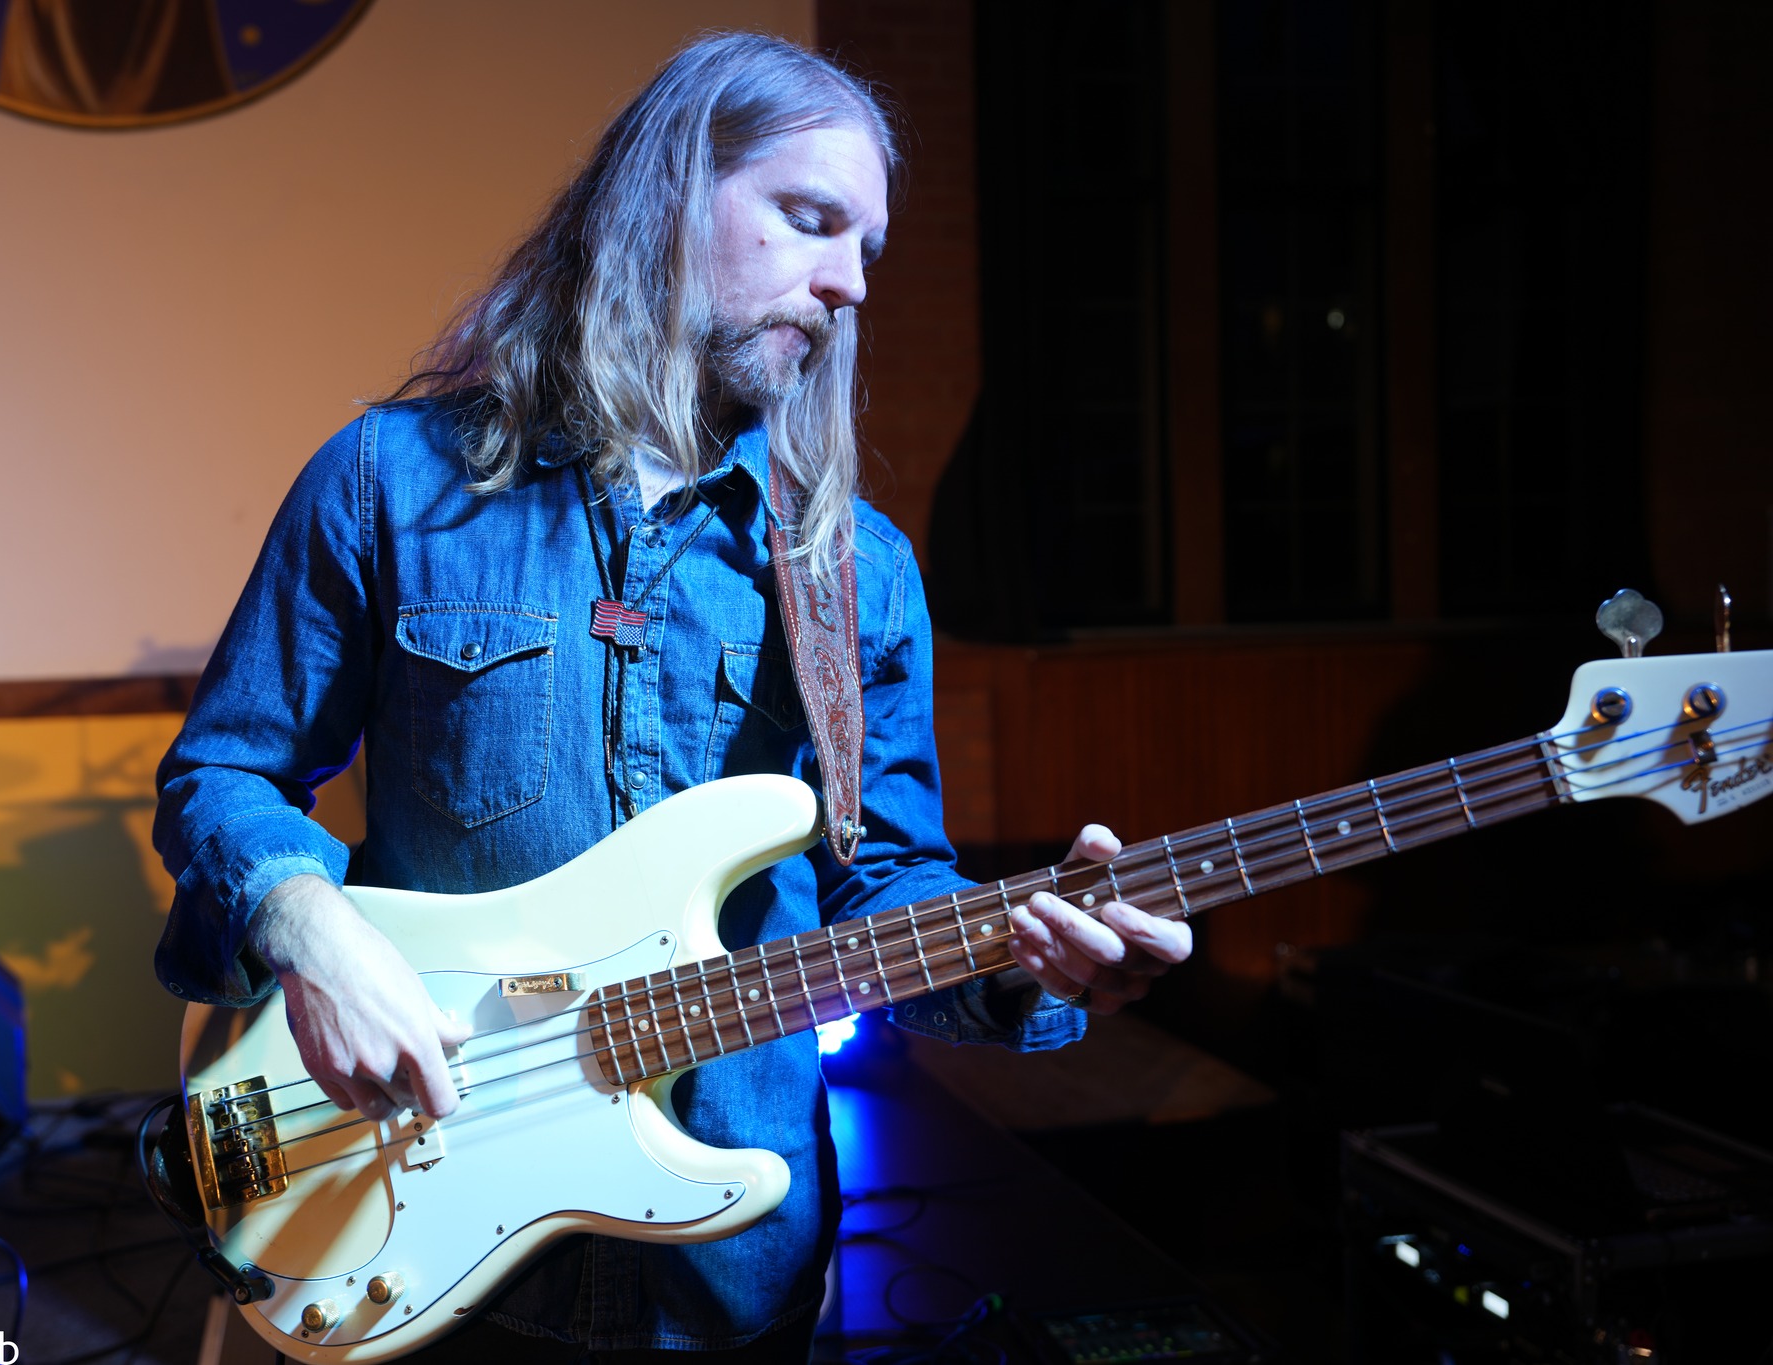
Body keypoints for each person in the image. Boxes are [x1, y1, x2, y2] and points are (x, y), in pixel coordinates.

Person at [151, 31, 1192, 1363]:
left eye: (868, 247)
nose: (849, 282)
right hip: (421, 1221)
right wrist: (311, 931)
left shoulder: (858, 571)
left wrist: (1016, 958)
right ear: (668, 194)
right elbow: (223, 774)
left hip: (729, 1272)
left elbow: (880, 888)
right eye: (811, 219)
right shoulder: (389, 482)